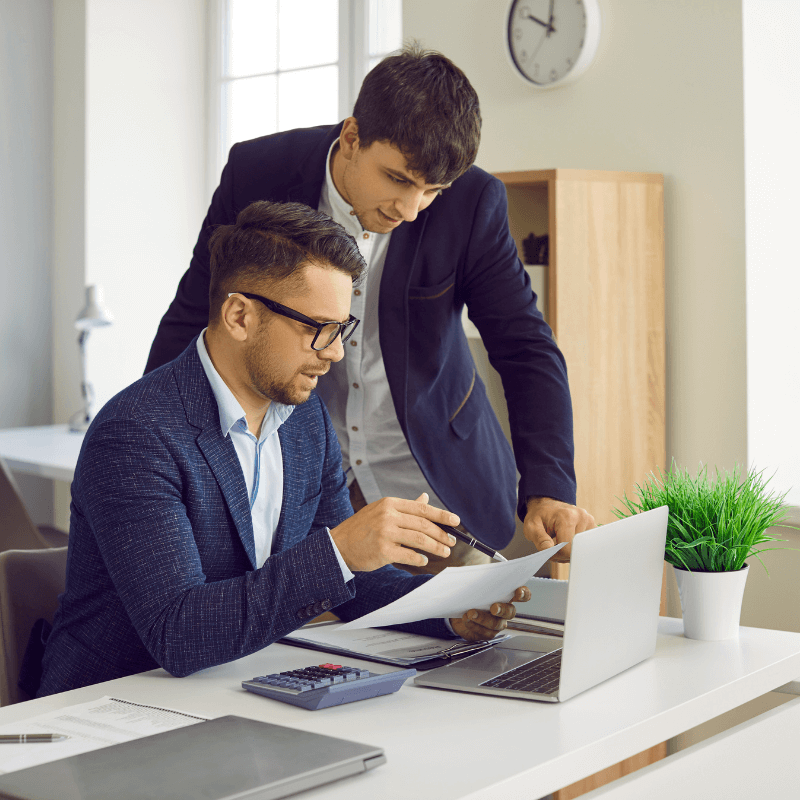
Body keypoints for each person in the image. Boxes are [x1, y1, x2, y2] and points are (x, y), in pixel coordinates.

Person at [35, 201, 529, 697]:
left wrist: (451, 610)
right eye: (317, 329)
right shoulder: (136, 434)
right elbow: (179, 632)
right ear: (239, 316)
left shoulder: (301, 419)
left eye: (342, 329)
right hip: (111, 705)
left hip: (232, 688)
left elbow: (354, 584)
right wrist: (340, 550)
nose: (335, 352)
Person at [144, 45, 594, 566]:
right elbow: (195, 312)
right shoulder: (257, 172)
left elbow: (524, 346)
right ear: (352, 138)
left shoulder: (474, 203)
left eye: (431, 191)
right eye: (398, 180)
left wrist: (550, 485)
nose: (409, 209)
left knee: (462, 633)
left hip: (433, 489)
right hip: (301, 486)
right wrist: (150, 443)